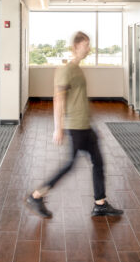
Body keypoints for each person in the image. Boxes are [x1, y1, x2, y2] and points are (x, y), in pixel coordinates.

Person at [24, 31, 124, 219]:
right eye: (86, 45)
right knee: (70, 164)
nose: (89, 48)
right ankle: (36, 196)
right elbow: (58, 99)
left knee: (98, 162)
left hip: (85, 125)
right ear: (77, 46)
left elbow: (77, 99)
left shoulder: (77, 69)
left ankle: (100, 203)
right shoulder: (66, 70)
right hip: (76, 126)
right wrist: (58, 128)